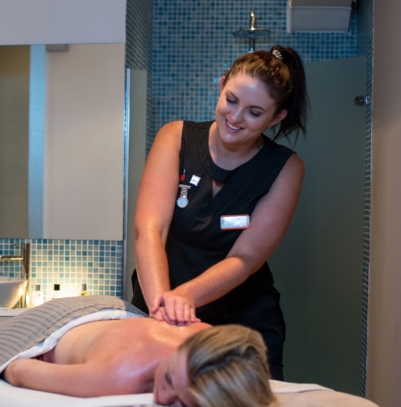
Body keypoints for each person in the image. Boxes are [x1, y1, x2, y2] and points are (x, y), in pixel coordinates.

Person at [130, 45, 309, 381]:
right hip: (158, 307)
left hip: (239, 323)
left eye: (255, 113)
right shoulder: (176, 138)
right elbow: (149, 230)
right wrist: (161, 309)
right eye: (231, 100)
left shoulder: (285, 168)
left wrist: (185, 296)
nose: (236, 117)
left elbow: (245, 257)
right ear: (222, 84)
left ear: (276, 117)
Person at [4, 317, 275, 407]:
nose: (162, 398)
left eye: (182, 402)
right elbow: (15, 370)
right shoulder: (119, 377)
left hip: (119, 317)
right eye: (167, 378)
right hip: (57, 322)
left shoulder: (207, 337)